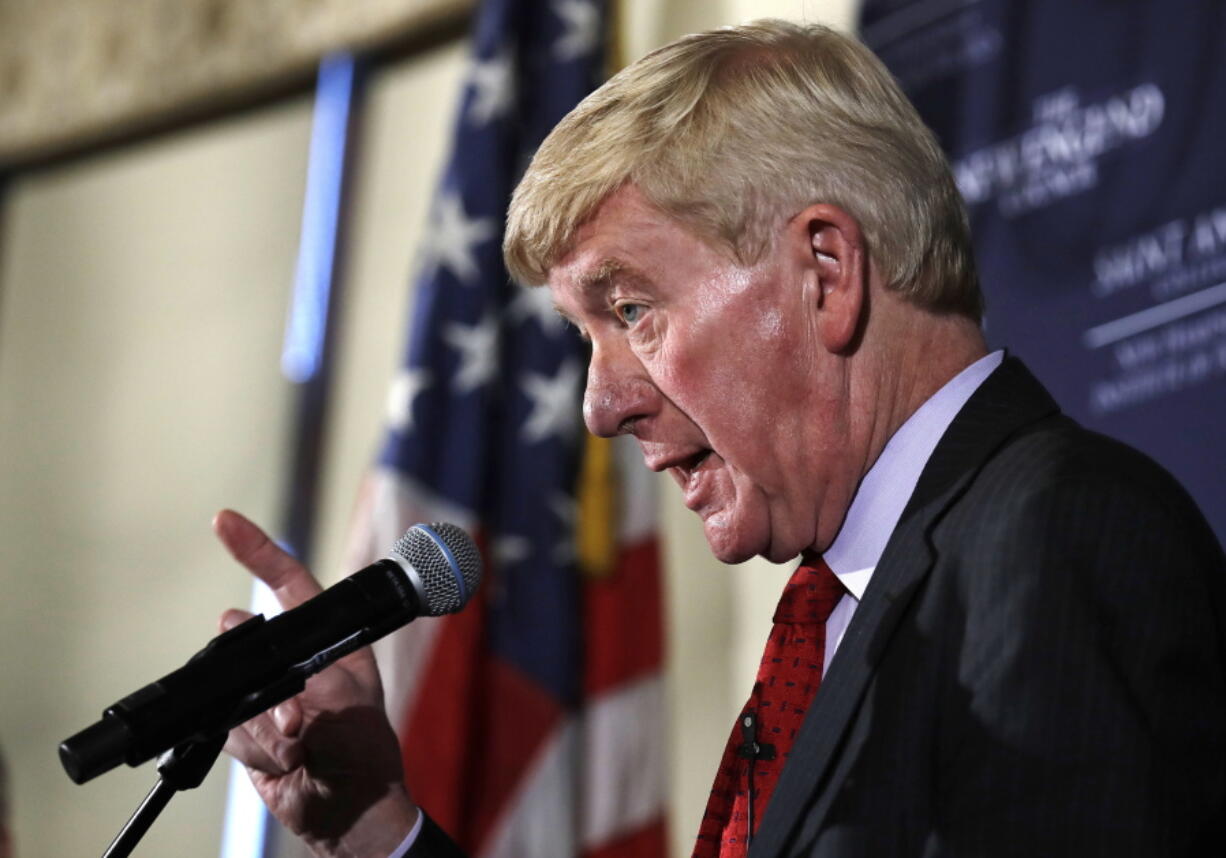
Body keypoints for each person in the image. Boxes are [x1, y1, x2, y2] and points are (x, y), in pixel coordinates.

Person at [217, 19, 1226, 857]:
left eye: (632, 309)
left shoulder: (1054, 540)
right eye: (585, 336)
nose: (598, 405)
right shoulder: (849, 609)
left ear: (823, 272)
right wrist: (373, 824)